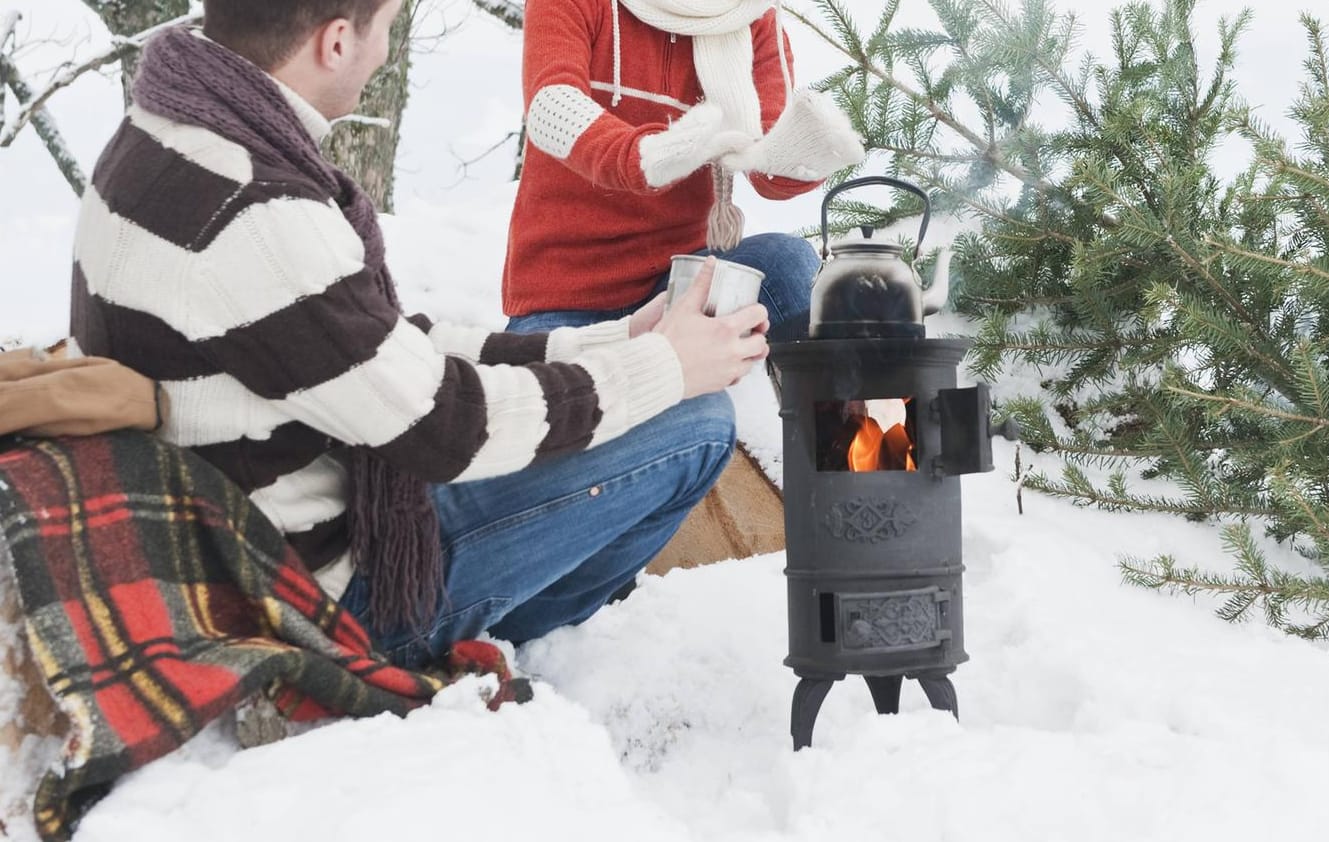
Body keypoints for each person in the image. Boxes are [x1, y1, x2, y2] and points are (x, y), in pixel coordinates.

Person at [68, 0, 771, 669]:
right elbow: (446, 427)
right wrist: (661, 366)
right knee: (696, 423)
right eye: (386, 29)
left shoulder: (167, 136)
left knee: (662, 392)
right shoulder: (257, 211)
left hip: (244, 531)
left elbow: (374, 344)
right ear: (337, 40)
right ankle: (509, 631)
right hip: (325, 599)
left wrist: (607, 342)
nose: (382, 54)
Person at [502, 0, 865, 342]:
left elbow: (768, 173)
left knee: (787, 261)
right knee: (570, 405)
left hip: (680, 286)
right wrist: (644, 158)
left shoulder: (749, 13)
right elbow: (551, 107)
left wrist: (807, 152)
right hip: (562, 299)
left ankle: (830, 404)